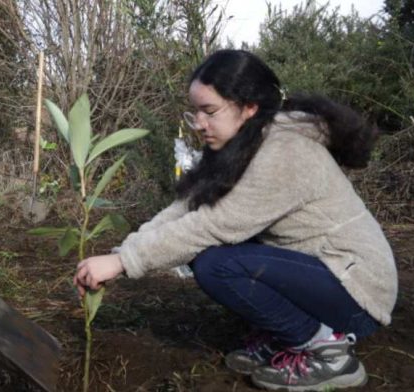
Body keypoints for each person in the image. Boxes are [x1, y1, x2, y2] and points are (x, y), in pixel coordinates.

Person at [73, 49, 397, 391]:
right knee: (218, 253)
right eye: (195, 111)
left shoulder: (285, 152)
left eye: (209, 111)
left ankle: (327, 352)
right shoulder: (244, 142)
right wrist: (122, 251)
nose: (199, 123)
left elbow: (211, 224)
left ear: (249, 106)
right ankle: (290, 334)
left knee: (216, 264)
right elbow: (186, 208)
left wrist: (124, 262)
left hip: (358, 294)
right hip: (323, 273)